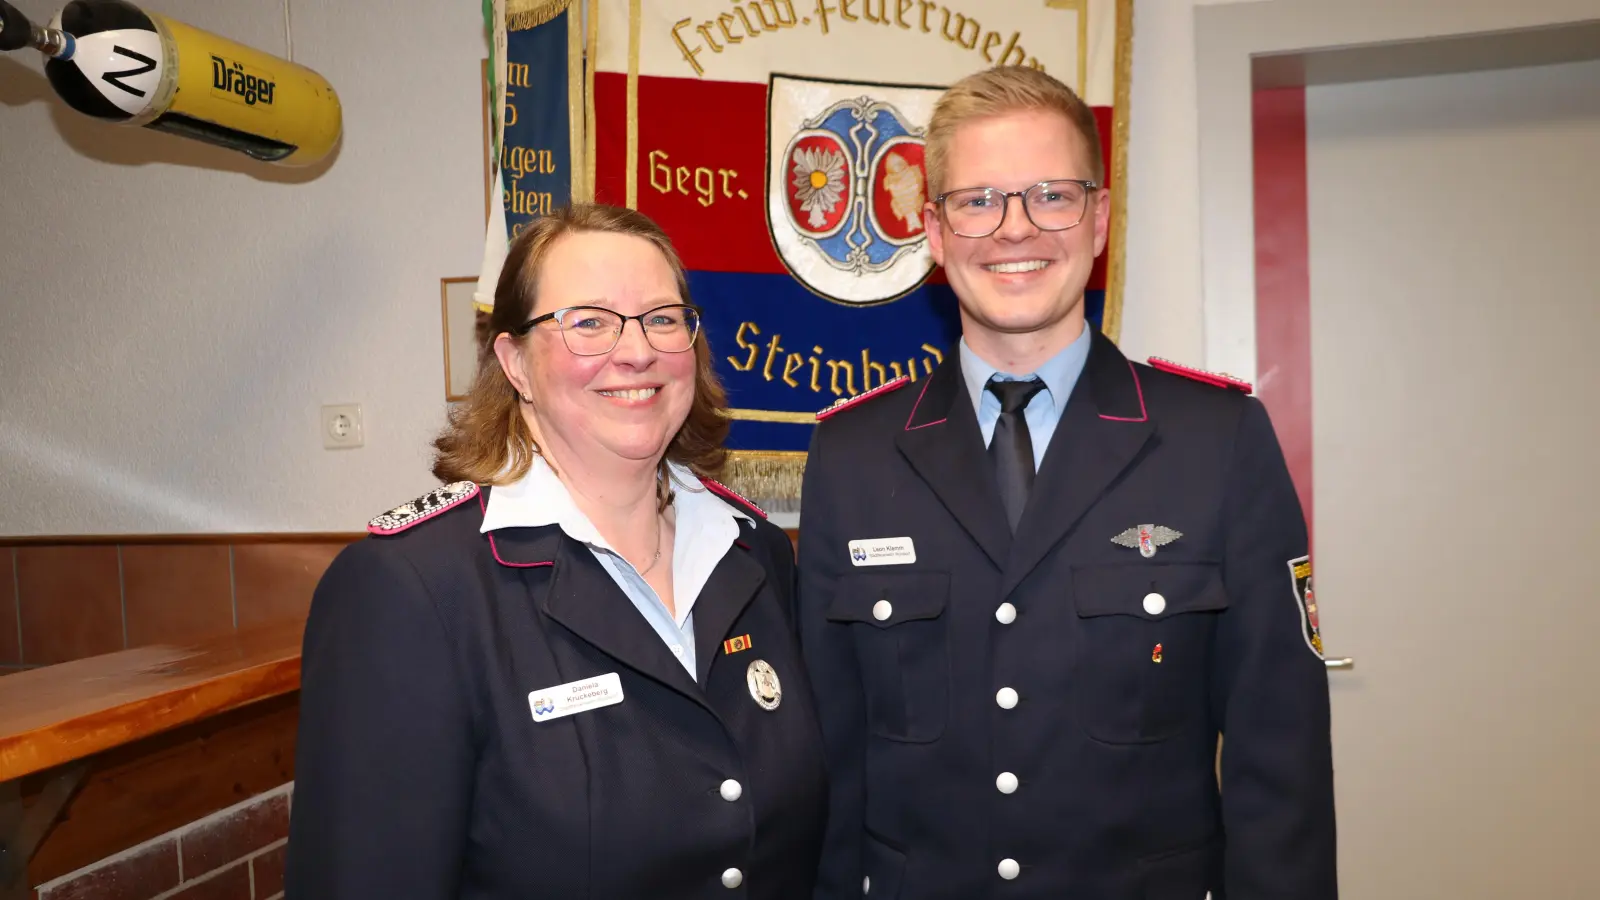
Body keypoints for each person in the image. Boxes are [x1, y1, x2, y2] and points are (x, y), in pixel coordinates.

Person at [796, 66, 1337, 898]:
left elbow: (1282, 763)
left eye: (1051, 195)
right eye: (978, 201)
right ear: (935, 231)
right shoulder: (852, 456)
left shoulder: (1216, 442)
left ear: (1098, 222)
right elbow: (828, 764)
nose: (1016, 229)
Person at [285, 203, 827, 898]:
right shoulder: (411, 588)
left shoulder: (754, 553)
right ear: (514, 362)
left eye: (662, 318)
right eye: (589, 323)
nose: (636, 352)